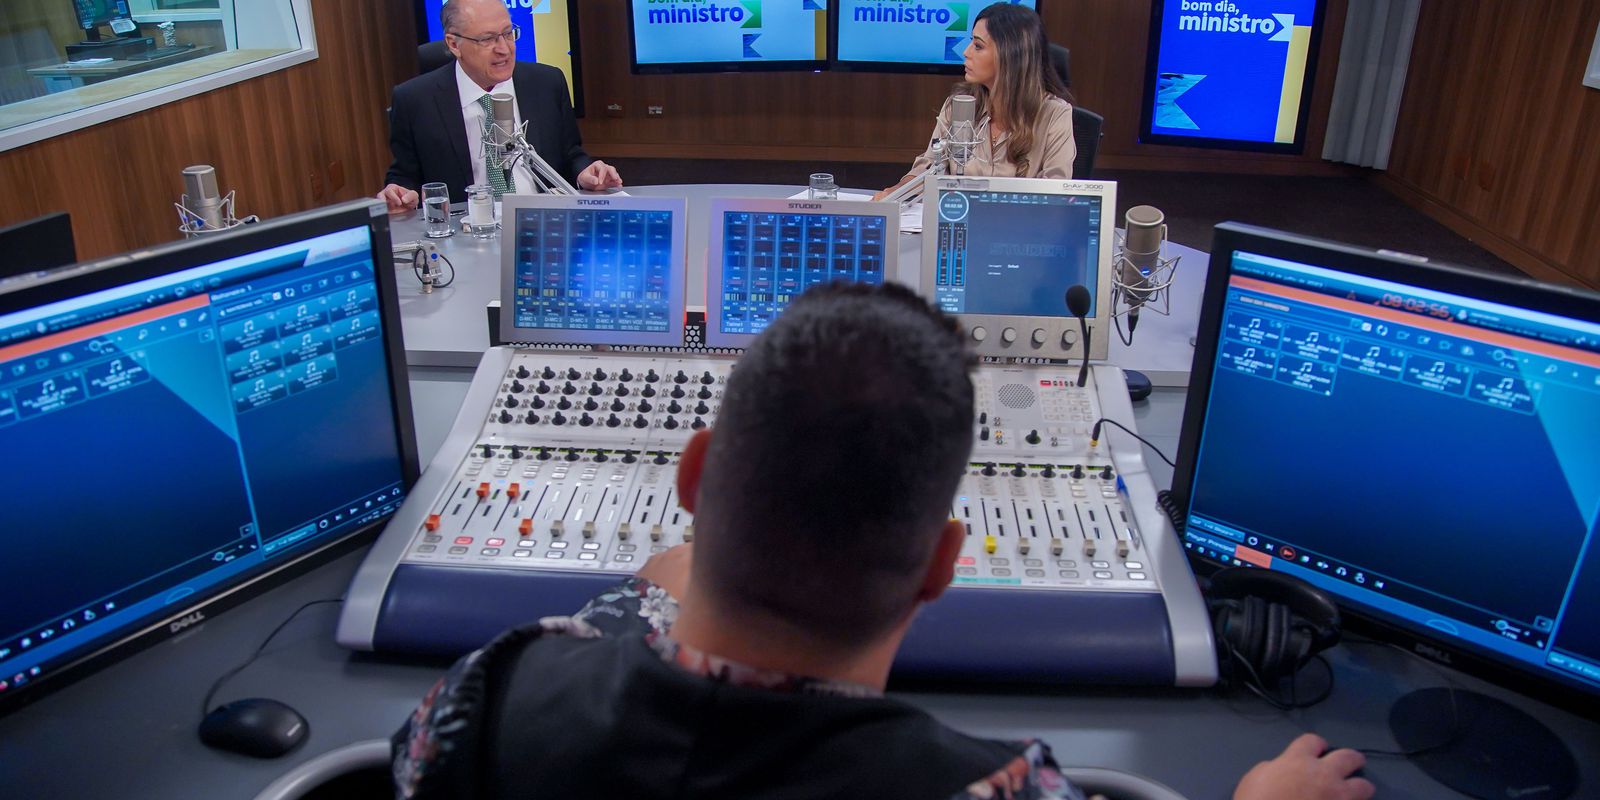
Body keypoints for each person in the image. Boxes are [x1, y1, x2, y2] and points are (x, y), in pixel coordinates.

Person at [391, 283, 1375, 800]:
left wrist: (641, 598)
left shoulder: (486, 693)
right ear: (942, 565)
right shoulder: (1004, 786)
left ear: (693, 480)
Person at [377, 0, 621, 211]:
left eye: (508, 33)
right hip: (465, 228)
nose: (504, 49)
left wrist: (585, 172)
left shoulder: (547, 82)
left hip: (541, 219)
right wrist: (399, 192)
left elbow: (571, 154)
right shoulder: (414, 99)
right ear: (453, 44)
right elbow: (405, 175)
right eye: (487, 39)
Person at [875, 4, 1077, 201]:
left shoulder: (1055, 114)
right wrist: (897, 192)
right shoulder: (959, 105)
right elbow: (929, 168)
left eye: (978, 46)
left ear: (1010, 55)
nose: (966, 52)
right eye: (971, 42)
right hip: (960, 217)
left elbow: (1056, 194)